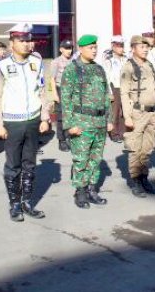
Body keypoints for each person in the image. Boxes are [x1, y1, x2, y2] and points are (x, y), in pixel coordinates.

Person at [0, 23, 50, 222]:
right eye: (21, 40)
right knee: (13, 164)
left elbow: (42, 91)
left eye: (28, 40)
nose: (26, 44)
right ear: (12, 43)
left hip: (33, 120)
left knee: (30, 163)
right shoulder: (1, 66)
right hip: (12, 122)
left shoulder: (37, 63)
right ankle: (15, 204)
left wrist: (45, 117)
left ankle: (27, 202)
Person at [61, 35, 113, 208]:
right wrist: (69, 125)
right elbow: (65, 99)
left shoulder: (99, 69)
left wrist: (109, 119)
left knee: (96, 159)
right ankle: (80, 191)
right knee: (81, 159)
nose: (94, 50)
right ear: (81, 49)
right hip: (81, 122)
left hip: (99, 121)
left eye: (95, 47)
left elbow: (106, 95)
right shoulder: (72, 69)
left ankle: (92, 189)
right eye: (91, 48)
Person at [119, 35, 155, 197]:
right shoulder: (128, 67)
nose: (145, 50)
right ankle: (136, 180)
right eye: (142, 47)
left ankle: (144, 178)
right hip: (137, 113)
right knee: (135, 148)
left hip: (151, 112)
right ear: (133, 48)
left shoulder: (149, 65)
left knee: (147, 148)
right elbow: (124, 93)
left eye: (147, 47)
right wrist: (127, 117)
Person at [50, 40, 73, 152]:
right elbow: (52, 79)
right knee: (61, 117)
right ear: (61, 49)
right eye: (67, 48)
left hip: (71, 91)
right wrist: (54, 94)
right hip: (60, 90)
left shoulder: (73, 61)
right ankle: (61, 140)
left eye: (70, 48)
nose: (69, 51)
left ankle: (69, 137)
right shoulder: (56, 62)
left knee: (70, 115)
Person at [103, 35, 126, 143]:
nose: (121, 48)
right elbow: (106, 77)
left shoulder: (125, 59)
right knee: (114, 112)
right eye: (118, 45)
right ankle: (114, 133)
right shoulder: (109, 60)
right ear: (113, 46)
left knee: (124, 111)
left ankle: (122, 132)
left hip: (124, 87)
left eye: (122, 45)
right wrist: (109, 92)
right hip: (114, 87)